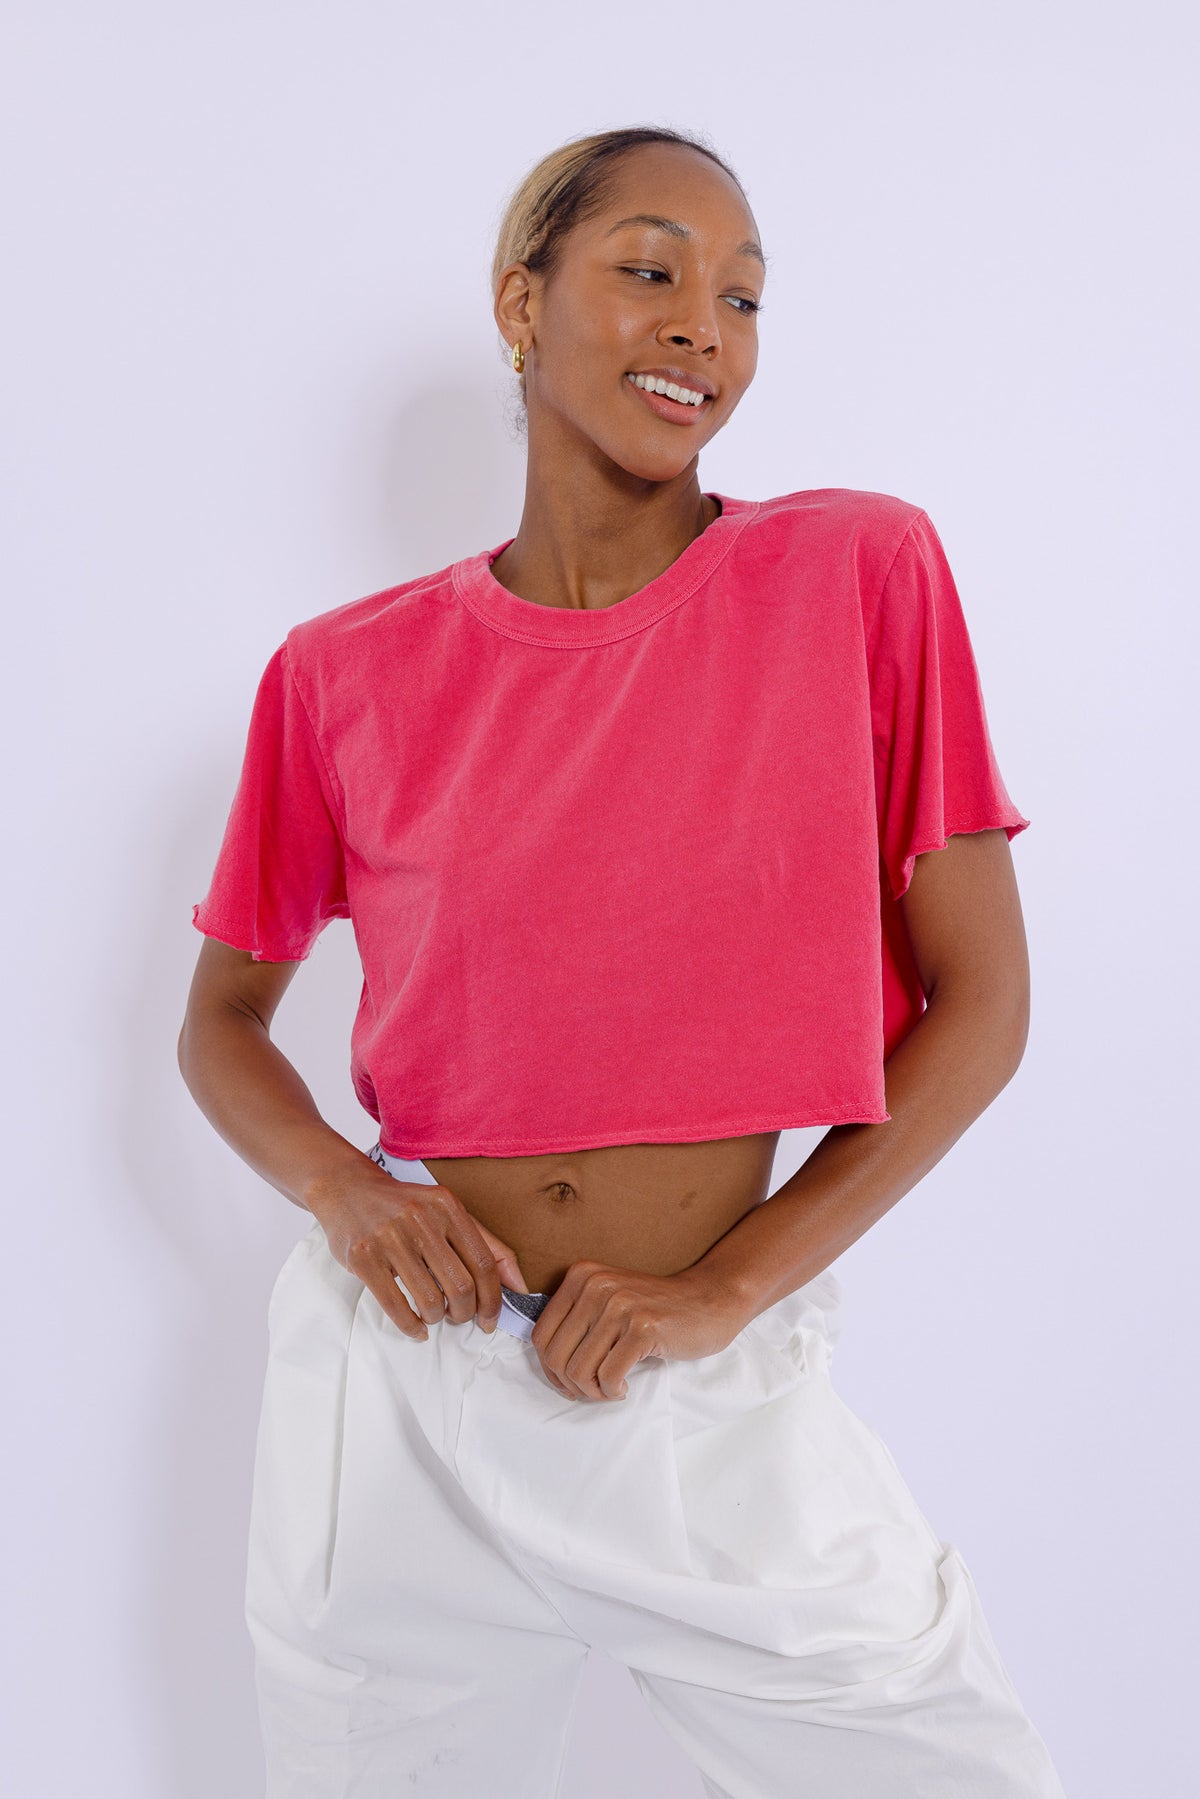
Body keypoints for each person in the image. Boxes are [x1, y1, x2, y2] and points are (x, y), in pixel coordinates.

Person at [178, 124, 1068, 1798]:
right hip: (403, 1408)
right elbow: (221, 1018)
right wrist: (346, 1194)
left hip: (708, 1398)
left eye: (742, 298)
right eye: (651, 270)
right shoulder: (341, 672)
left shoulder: (854, 572)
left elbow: (987, 1005)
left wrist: (725, 1292)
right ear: (521, 304)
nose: (700, 329)